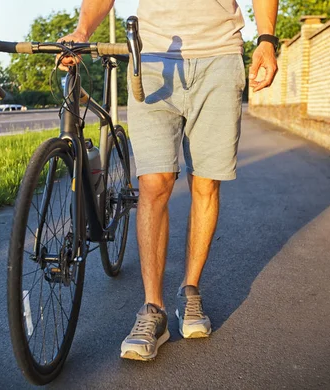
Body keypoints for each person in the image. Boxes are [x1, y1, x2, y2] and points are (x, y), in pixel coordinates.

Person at [60, 0, 279, 361]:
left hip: (219, 57)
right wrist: (83, 31)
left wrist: (267, 38)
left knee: (206, 183)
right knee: (153, 182)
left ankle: (190, 290)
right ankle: (152, 310)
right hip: (152, 60)